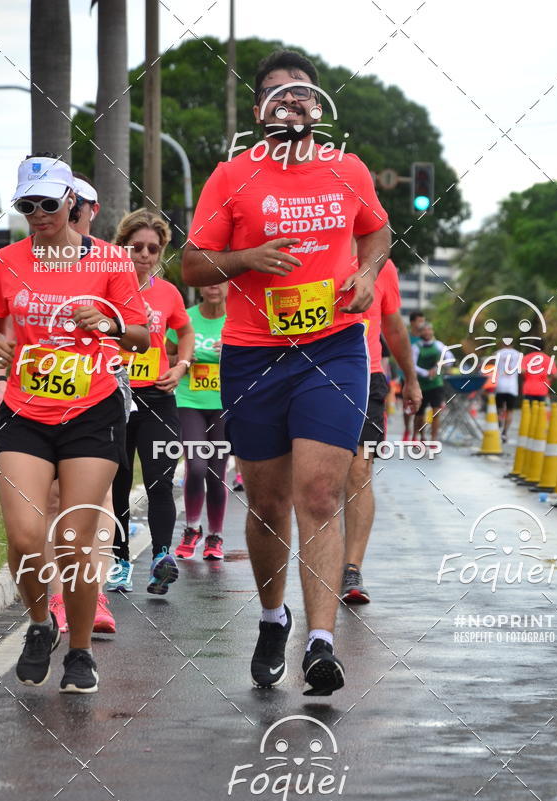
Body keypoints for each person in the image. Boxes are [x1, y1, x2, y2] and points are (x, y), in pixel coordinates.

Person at [182, 49, 390, 695]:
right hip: (252, 354)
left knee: (321, 494)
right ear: (259, 111)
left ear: (317, 107)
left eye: (302, 96)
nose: (291, 105)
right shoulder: (231, 177)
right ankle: (274, 618)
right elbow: (190, 267)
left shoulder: (347, 169)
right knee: (268, 504)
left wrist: (365, 272)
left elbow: (377, 233)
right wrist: (247, 256)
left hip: (331, 348)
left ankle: (320, 645)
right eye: (278, 95)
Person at [0, 155, 149, 692]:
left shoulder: (110, 260)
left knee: (74, 539)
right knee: (24, 532)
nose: (37, 213)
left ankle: (80, 651)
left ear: (72, 203)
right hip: (24, 410)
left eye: (47, 203)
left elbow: (141, 338)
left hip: (92, 410)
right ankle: (41, 623)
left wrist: (111, 320)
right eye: (26, 205)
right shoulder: (6, 260)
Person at [109, 209, 194, 595]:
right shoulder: (105, 288)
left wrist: (181, 366)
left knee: (160, 480)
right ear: (122, 246)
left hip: (158, 397)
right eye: (137, 247)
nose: (144, 255)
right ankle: (121, 561)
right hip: (112, 395)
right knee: (119, 482)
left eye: (153, 249)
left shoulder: (167, 293)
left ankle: (161, 558)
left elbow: (185, 328)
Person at [47, 172, 116, 634]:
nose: (72, 215)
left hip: (100, 390)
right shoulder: (34, 257)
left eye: (79, 206)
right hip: (37, 391)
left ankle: (96, 594)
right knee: (52, 498)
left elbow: (136, 326)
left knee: (97, 499)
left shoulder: (110, 261)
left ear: (90, 210)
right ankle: (57, 597)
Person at [341, 258, 421, 604]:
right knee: (319, 478)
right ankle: (319, 560)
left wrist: (411, 379)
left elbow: (394, 328)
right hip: (311, 374)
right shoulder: (315, 249)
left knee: (359, 472)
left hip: (367, 376)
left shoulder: (383, 267)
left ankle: (351, 569)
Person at [167, 283, 228, 560]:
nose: (214, 286)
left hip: (224, 405)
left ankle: (215, 537)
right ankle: (192, 529)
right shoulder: (186, 317)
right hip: (189, 401)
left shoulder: (237, 320)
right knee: (198, 466)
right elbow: (164, 354)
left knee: (217, 474)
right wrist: (182, 358)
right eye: (208, 280)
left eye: (221, 280)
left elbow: (259, 361)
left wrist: (233, 354)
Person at [412, 322, 454, 441]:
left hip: (436, 383)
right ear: (420, 333)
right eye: (424, 330)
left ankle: (434, 439)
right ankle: (420, 436)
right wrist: (425, 372)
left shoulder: (439, 345)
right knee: (419, 414)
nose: (426, 332)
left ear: (432, 331)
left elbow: (450, 359)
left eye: (428, 330)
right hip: (421, 384)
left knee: (436, 412)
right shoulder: (416, 347)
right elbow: (412, 365)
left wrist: (438, 367)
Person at [494, 338, 522, 442]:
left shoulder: (497, 354)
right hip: (512, 386)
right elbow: (521, 370)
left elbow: (492, 368)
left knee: (499, 409)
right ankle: (505, 433)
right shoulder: (518, 354)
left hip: (500, 385)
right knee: (509, 411)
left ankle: (499, 421)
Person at [402, 311, 425, 440]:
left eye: (423, 321)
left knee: (419, 406)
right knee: (407, 404)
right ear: (412, 322)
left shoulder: (425, 338)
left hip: (421, 377)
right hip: (405, 375)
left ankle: (416, 434)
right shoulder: (406, 337)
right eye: (419, 321)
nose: (422, 324)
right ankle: (407, 430)